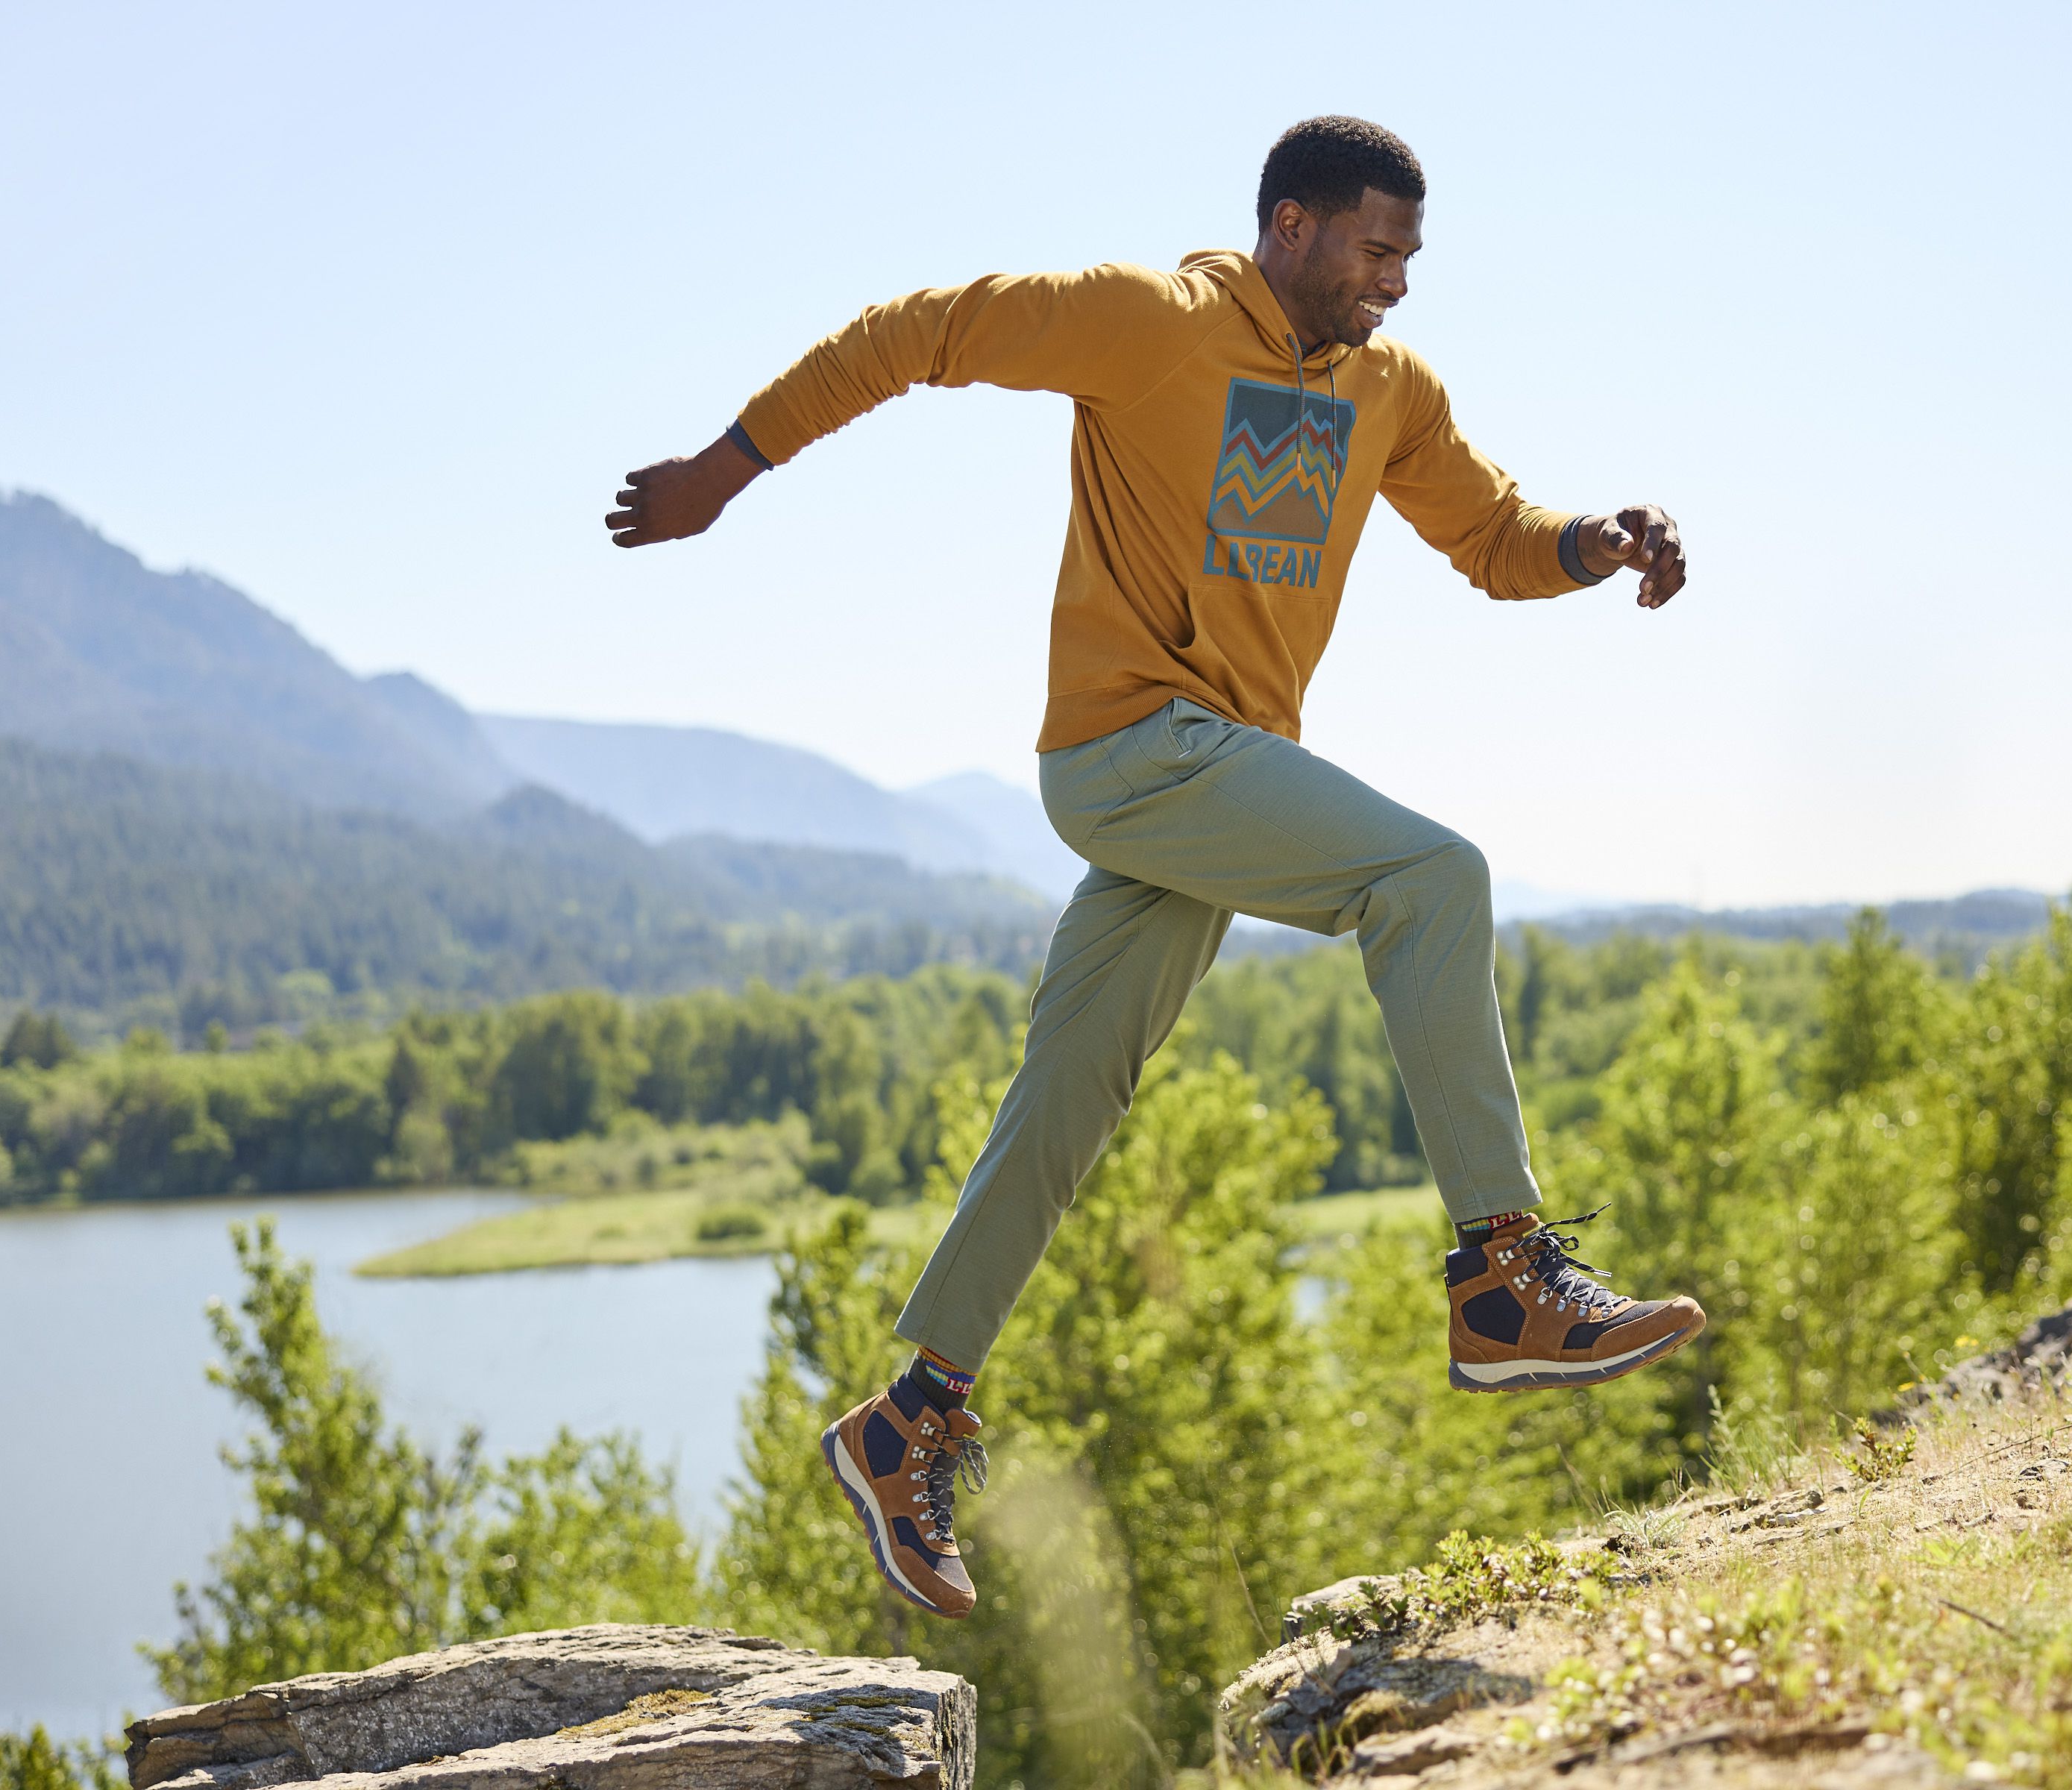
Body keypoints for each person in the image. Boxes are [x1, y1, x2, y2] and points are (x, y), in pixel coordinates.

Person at [605, 116, 1707, 1622]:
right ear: (1293, 225)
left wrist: (1597, 541)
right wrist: (724, 471)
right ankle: (1504, 1281)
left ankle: (907, 1417)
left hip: (1216, 784)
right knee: (1431, 878)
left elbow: (1490, 535)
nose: (1395, 284)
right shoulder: (1148, 322)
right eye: (1376, 250)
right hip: (1134, 752)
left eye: (1411, 259)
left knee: (1066, 1097)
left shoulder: (1390, 389)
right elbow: (910, 334)